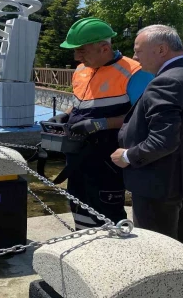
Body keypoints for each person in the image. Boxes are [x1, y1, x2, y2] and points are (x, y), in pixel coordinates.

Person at [111, 24, 183, 253]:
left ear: (161, 49)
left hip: (160, 181)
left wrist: (128, 156)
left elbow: (163, 140)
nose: (135, 56)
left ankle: (161, 287)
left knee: (155, 246)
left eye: (138, 50)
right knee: (182, 233)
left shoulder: (165, 82)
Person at [47, 17, 153, 230]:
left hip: (107, 163)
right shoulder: (81, 70)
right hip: (77, 158)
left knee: (107, 213)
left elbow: (143, 118)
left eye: (81, 50)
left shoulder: (135, 73)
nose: (76, 56)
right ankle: (86, 250)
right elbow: (80, 103)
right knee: (79, 207)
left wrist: (101, 124)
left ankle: (110, 257)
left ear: (104, 48)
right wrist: (65, 116)